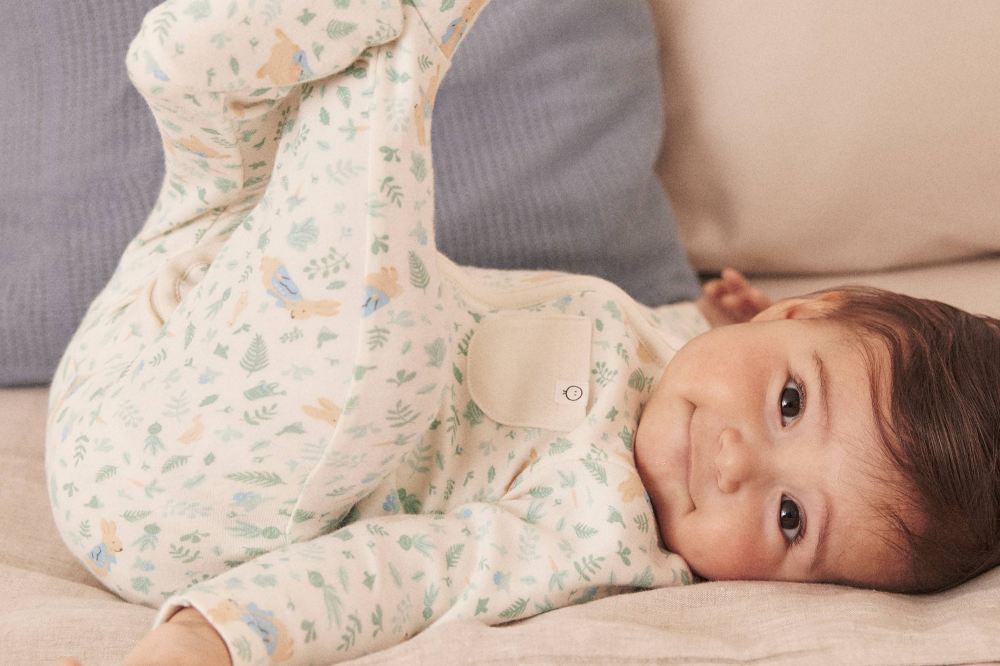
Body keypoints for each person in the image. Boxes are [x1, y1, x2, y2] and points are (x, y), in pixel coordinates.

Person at [49, 1, 1000, 665]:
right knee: (225, 192)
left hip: (180, 496)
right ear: (797, 309)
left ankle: (392, 59)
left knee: (383, 343)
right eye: (790, 400)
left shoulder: (597, 533)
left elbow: (406, 573)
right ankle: (207, 95)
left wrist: (208, 636)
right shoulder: (669, 350)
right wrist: (713, 321)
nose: (738, 462)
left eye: (791, 520)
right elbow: (697, 360)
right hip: (145, 344)